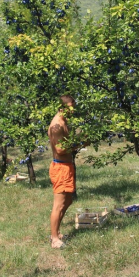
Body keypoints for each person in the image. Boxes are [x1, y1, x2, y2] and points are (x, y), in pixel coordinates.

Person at [48, 95, 85, 249]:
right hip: (60, 167)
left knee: (68, 201)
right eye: (71, 106)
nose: (73, 109)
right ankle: (55, 238)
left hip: (67, 166)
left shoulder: (64, 121)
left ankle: (56, 232)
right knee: (59, 204)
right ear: (62, 107)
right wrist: (80, 143)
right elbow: (60, 149)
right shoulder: (56, 125)